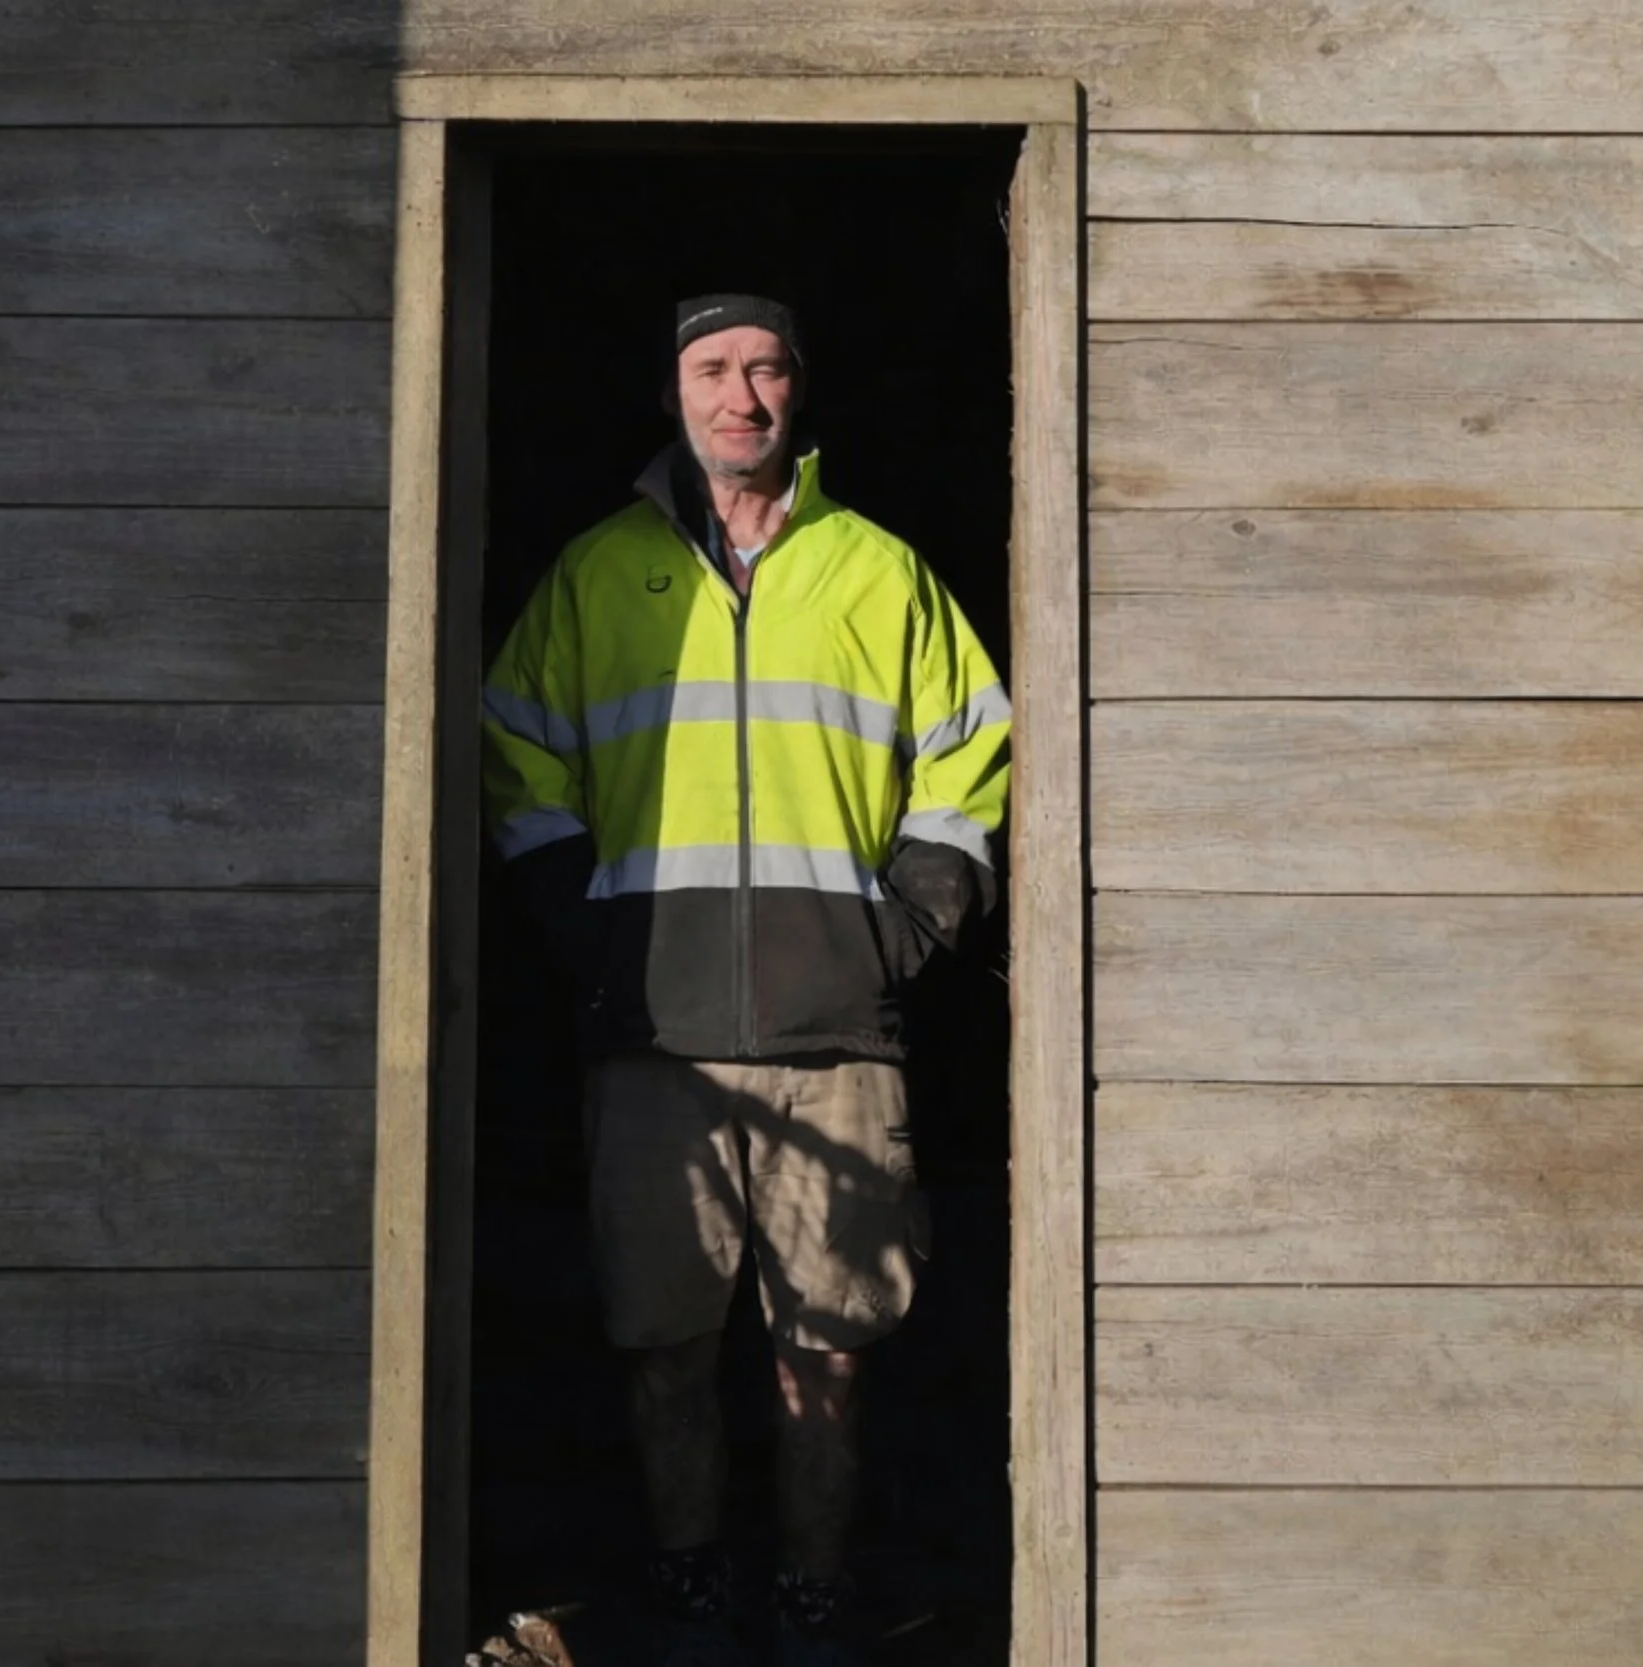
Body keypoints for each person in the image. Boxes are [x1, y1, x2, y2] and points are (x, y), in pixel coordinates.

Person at [480, 294, 1010, 1666]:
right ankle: (691, 1597)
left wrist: (909, 927)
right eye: (712, 370)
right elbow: (514, 748)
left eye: (766, 369)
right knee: (662, 1344)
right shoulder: (597, 574)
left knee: (828, 1349)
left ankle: (815, 1600)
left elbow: (971, 751)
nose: (741, 396)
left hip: (837, 1037)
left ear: (799, 389)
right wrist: (587, 924)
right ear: (673, 393)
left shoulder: (879, 570)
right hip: (652, 1035)